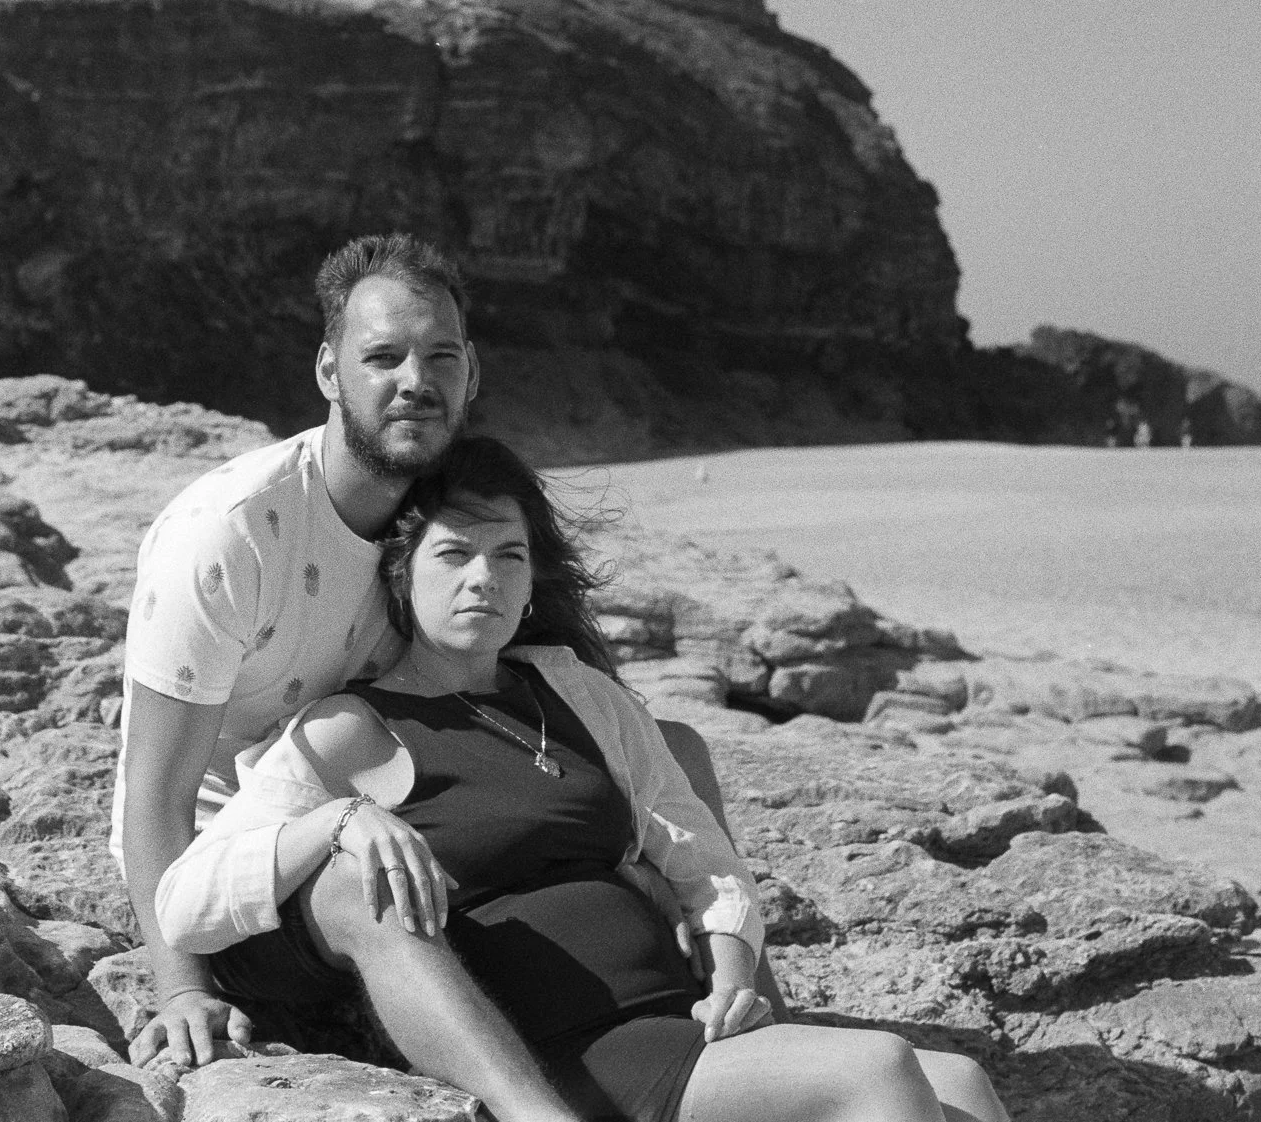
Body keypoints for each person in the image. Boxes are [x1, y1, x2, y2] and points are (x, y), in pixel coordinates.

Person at [156, 437, 1013, 1122]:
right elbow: (185, 898)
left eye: (509, 557)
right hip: (574, 1053)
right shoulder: (351, 727)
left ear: (531, 587)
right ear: (400, 575)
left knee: (965, 1085)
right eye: (453, 554)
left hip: (683, 1018)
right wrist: (336, 822)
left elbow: (700, 856)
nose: (482, 579)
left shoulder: (575, 693)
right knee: (878, 1068)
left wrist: (732, 973)